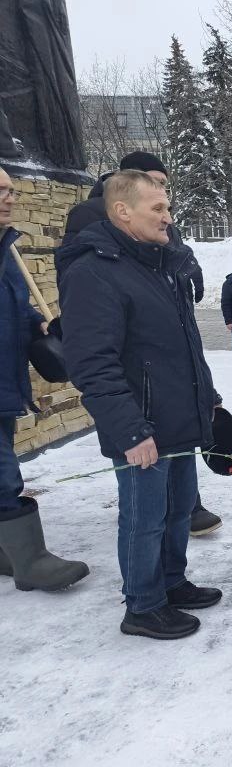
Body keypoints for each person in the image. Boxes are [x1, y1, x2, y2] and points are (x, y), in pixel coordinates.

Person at [59, 170, 223, 639]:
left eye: (168, 207)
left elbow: (184, 346)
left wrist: (207, 399)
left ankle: (171, 582)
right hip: (141, 424)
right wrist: (130, 430)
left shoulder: (159, 262)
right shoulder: (94, 271)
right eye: (158, 208)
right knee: (144, 520)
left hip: (177, 414)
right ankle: (144, 604)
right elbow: (93, 364)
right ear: (123, 211)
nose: (168, 217)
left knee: (178, 510)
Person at [0, 166, 90, 592]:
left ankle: (8, 551)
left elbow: (17, 306)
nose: (10, 197)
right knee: (5, 475)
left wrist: (40, 325)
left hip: (6, 382)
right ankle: (31, 560)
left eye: (11, 190)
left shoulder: (7, 249)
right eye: (1, 191)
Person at [62, 151, 203, 304]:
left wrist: (186, 259)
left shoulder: (160, 215)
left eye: (163, 183)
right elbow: (75, 274)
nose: (160, 188)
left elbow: (171, 246)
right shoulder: (88, 212)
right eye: (155, 181)